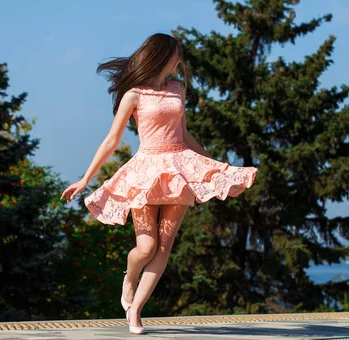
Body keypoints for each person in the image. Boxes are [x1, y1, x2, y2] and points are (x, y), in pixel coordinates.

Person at [60, 33, 257, 334]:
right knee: (146, 247)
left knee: (163, 248)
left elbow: (185, 134)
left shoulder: (178, 89)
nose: (180, 60)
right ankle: (129, 277)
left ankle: (135, 310)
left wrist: (216, 167)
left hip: (178, 170)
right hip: (145, 173)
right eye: (176, 54)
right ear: (161, 55)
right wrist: (85, 179)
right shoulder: (134, 95)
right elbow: (112, 141)